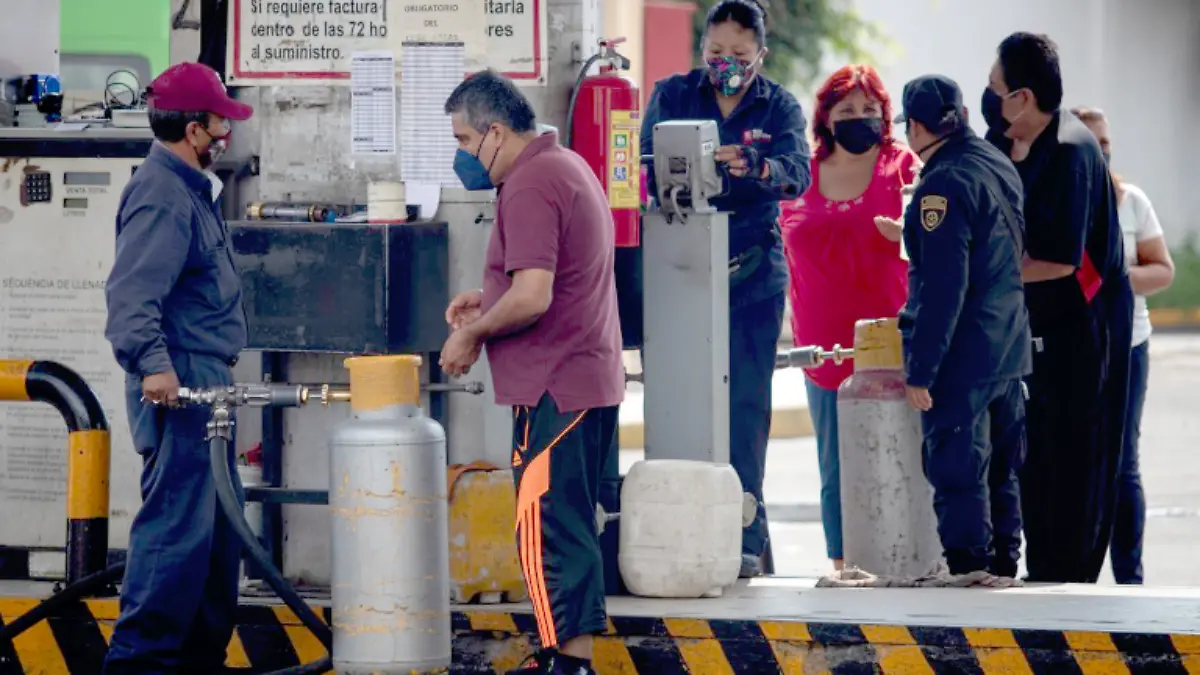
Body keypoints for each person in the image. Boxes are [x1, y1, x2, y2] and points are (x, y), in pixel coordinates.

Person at [437, 70, 624, 675]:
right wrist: (487, 293)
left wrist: (472, 332)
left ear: (495, 132)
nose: (463, 155)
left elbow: (536, 296)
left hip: (553, 384)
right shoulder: (565, 165)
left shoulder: (528, 183)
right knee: (566, 525)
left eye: (465, 141)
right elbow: (549, 276)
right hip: (582, 377)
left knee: (546, 529)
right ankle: (565, 657)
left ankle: (567, 665)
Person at [640, 0, 812, 578]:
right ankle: (673, 530)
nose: (727, 65)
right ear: (702, 49)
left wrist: (757, 166)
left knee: (743, 409)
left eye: (740, 56)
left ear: (759, 55)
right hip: (680, 271)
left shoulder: (779, 105)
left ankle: (745, 535)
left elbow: (798, 172)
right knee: (678, 403)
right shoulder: (673, 95)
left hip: (752, 276)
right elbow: (641, 165)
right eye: (717, 53)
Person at [102, 62, 253, 674]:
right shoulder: (164, 195)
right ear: (195, 130)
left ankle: (196, 663)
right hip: (180, 384)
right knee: (176, 540)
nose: (227, 134)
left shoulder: (191, 191)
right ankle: (139, 665)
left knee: (217, 548)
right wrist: (154, 367)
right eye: (221, 123)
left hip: (206, 384)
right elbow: (132, 297)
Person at [982, 32, 1134, 584]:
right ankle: (1040, 574)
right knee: (1034, 455)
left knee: (1078, 459)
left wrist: (979, 269)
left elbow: (1057, 260)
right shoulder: (1008, 141)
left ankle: (1069, 584)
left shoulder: (1070, 151)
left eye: (996, 88)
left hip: (1086, 331)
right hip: (1033, 328)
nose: (989, 97)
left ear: (1023, 96)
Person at [891, 74, 1032, 584]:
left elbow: (944, 286)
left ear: (918, 127)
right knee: (1001, 471)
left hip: (964, 356)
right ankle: (1003, 570)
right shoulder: (995, 162)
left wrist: (922, 369)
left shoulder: (942, 184)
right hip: (1008, 347)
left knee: (958, 472)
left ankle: (972, 574)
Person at [778, 64, 917, 572]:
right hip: (823, 345)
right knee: (836, 467)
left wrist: (906, 235)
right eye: (847, 110)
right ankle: (845, 565)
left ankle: (909, 558)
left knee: (902, 456)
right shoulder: (802, 170)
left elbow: (936, 233)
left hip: (892, 340)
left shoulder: (901, 166)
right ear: (825, 117)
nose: (859, 118)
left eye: (869, 110)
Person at [1073, 106, 1175, 585]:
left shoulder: (1130, 201)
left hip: (1126, 342)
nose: (1102, 149)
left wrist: (1115, 279)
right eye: (1092, 141)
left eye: (1106, 141)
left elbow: (1162, 270)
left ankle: (1129, 577)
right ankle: (1072, 575)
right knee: (1071, 458)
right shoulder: (1055, 199)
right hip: (1069, 349)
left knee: (1122, 461)